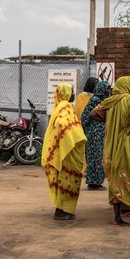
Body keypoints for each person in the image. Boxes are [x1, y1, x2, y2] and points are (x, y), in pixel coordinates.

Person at [90, 76, 130, 226]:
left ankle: (117, 217)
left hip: (111, 143)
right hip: (127, 142)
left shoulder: (110, 101)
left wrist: (109, 122)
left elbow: (93, 114)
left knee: (114, 177)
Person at [42, 84, 87, 220]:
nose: (74, 94)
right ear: (66, 93)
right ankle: (63, 211)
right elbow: (62, 124)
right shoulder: (65, 106)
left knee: (64, 179)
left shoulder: (60, 106)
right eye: (72, 91)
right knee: (68, 180)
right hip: (67, 151)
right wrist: (74, 136)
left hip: (64, 150)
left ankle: (62, 210)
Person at [81, 80, 110, 190]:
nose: (109, 90)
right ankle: (94, 183)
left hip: (96, 133)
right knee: (96, 158)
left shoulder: (99, 100)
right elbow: (89, 116)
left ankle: (95, 182)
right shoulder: (96, 100)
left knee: (96, 157)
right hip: (95, 134)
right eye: (107, 88)